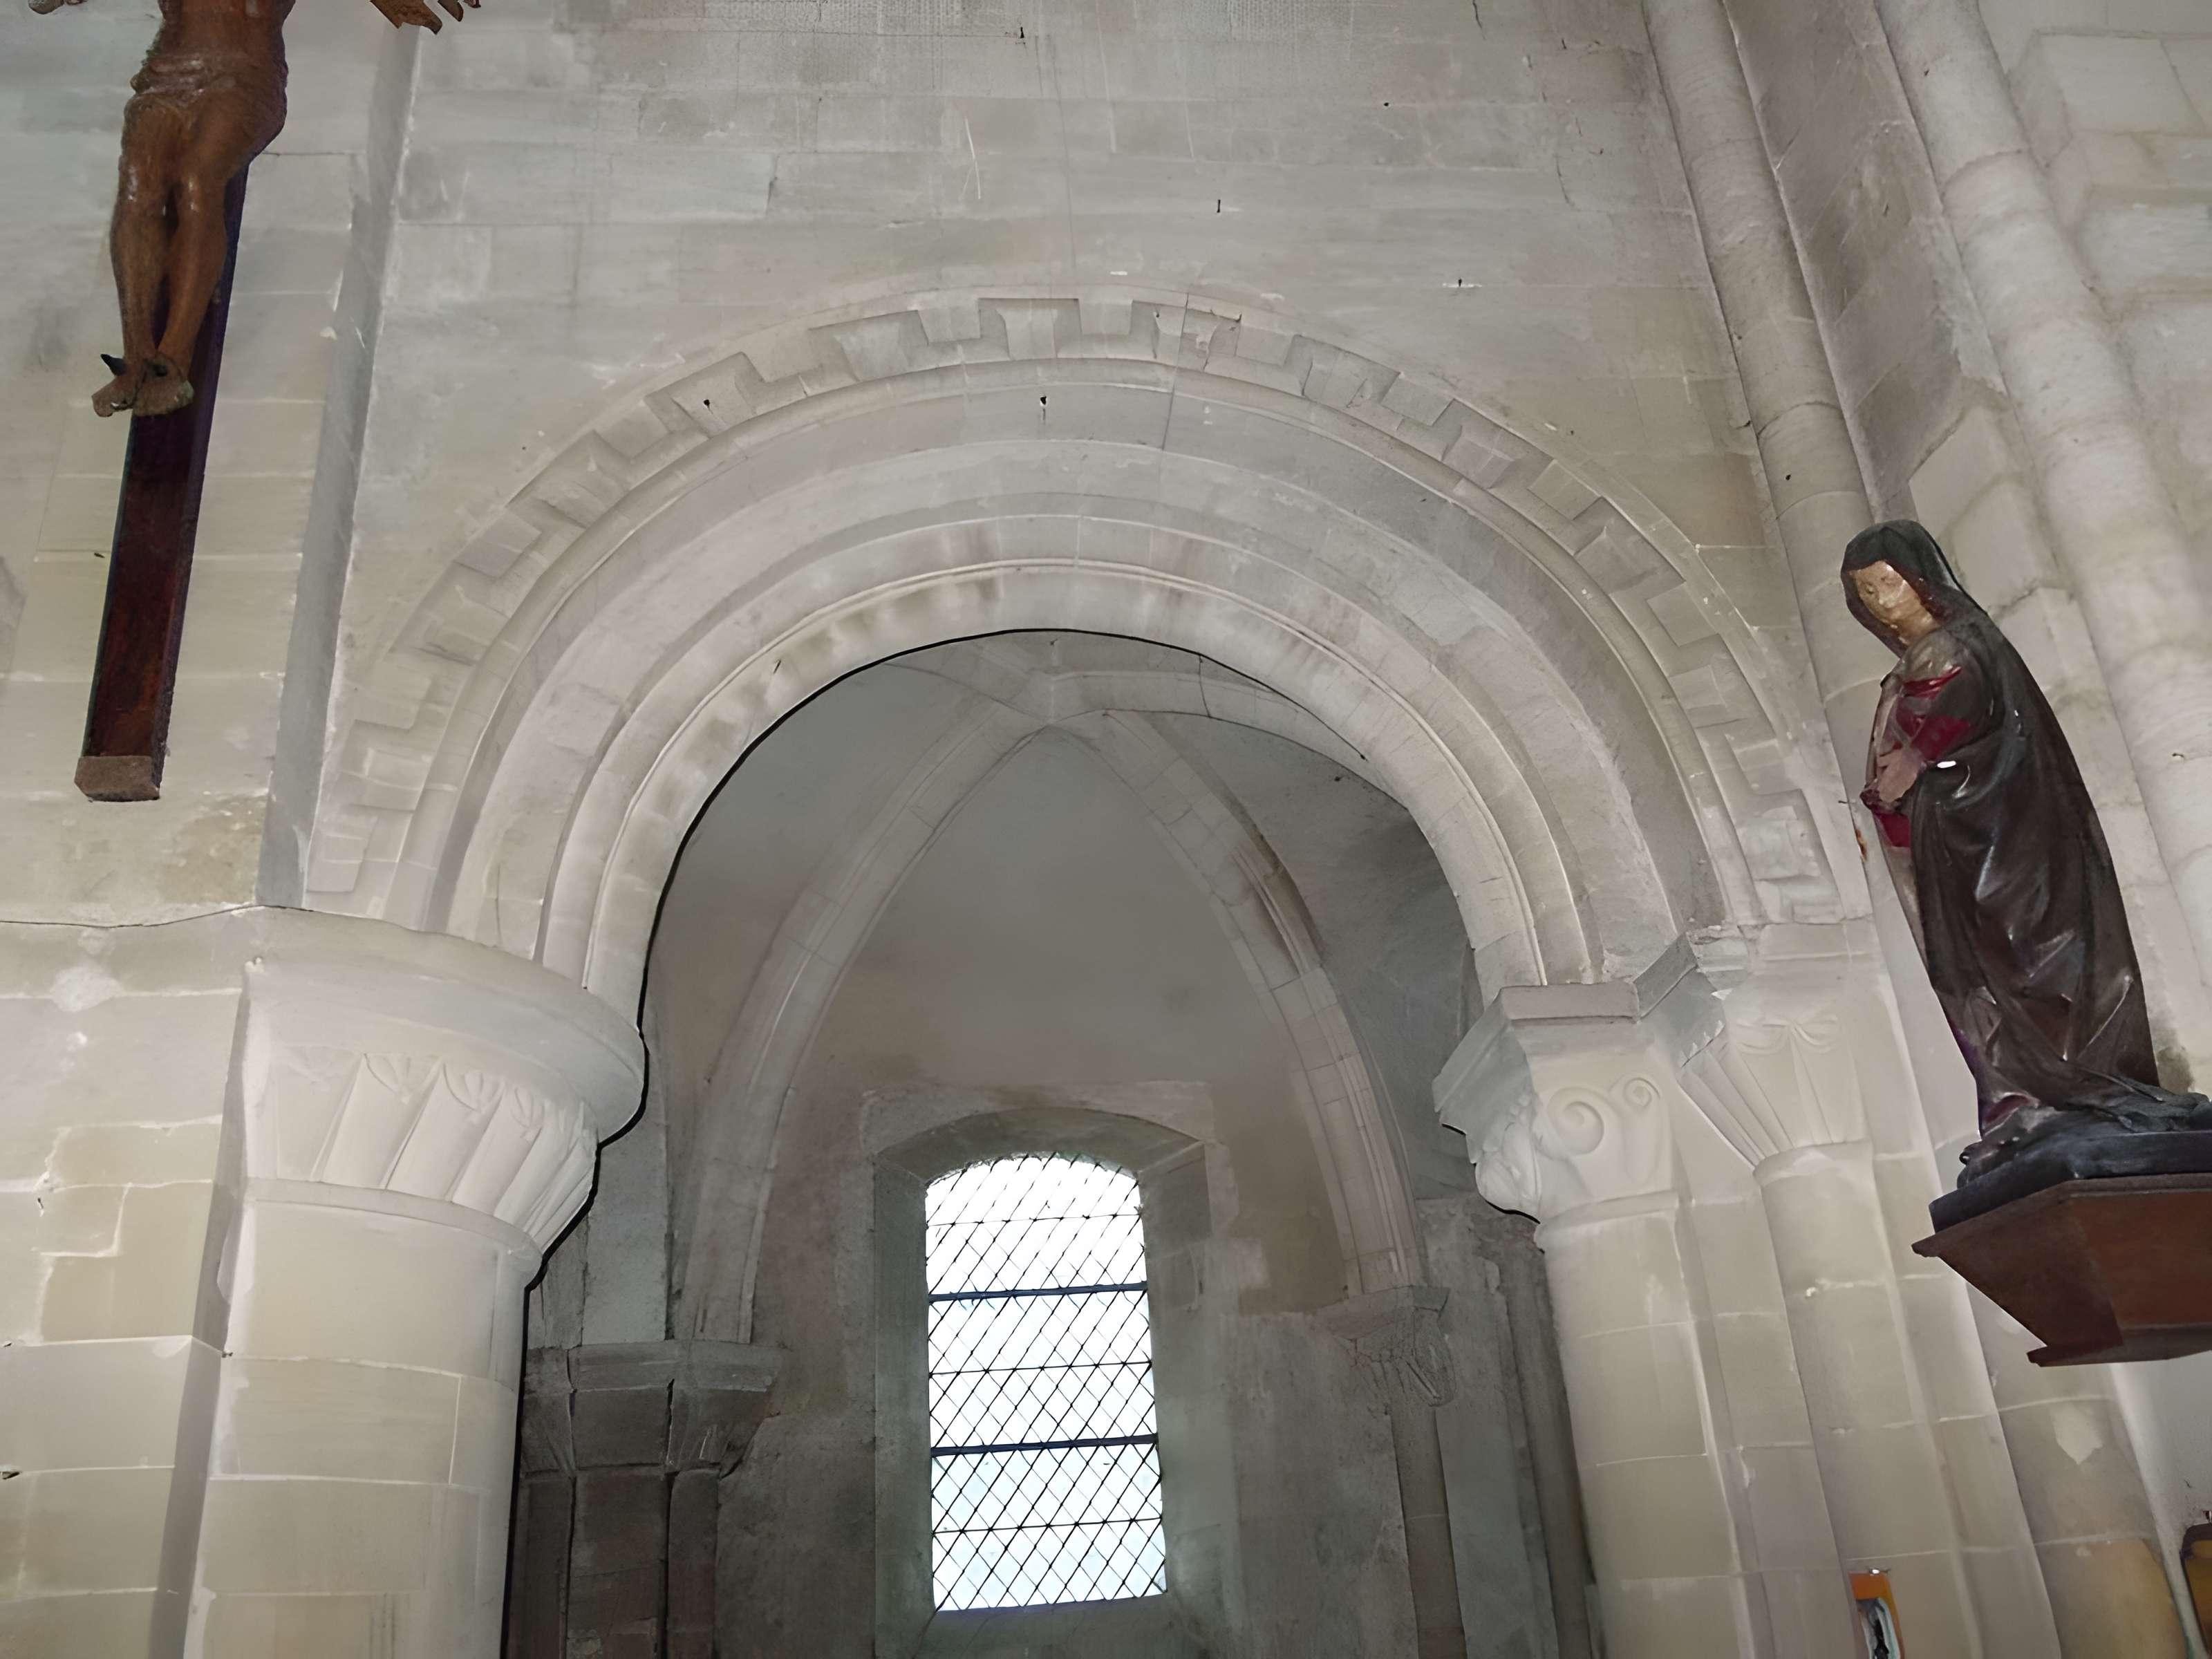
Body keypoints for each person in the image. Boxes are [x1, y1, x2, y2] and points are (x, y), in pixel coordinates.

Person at [1844, 520, 2211, 1183]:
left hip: (2007, 843)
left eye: (1887, 584)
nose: (1879, 602)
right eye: (1865, 593)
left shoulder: (1963, 648)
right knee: (1970, 975)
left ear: (1921, 580)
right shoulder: (1904, 675)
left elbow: (1962, 719)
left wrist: (1920, 759)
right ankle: (2023, 1101)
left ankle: (2082, 1089)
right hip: (1950, 848)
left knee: (2035, 956)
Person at [33, 0, 474, 418]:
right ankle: (137, 357)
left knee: (196, 180)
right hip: (165, 74)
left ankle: (174, 359)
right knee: (137, 188)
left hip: (242, 76)